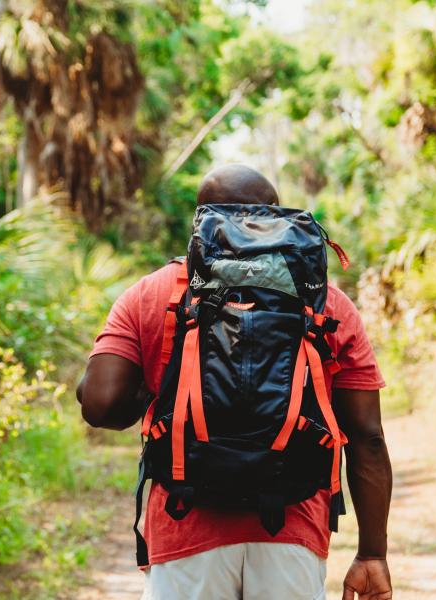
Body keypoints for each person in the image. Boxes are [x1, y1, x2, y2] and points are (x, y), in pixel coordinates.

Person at [77, 165, 394, 600]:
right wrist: (372, 555)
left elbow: (100, 405)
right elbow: (367, 436)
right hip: (291, 530)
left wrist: (154, 387)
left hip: (184, 529)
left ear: (200, 218)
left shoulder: (152, 293)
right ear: (276, 215)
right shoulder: (325, 301)